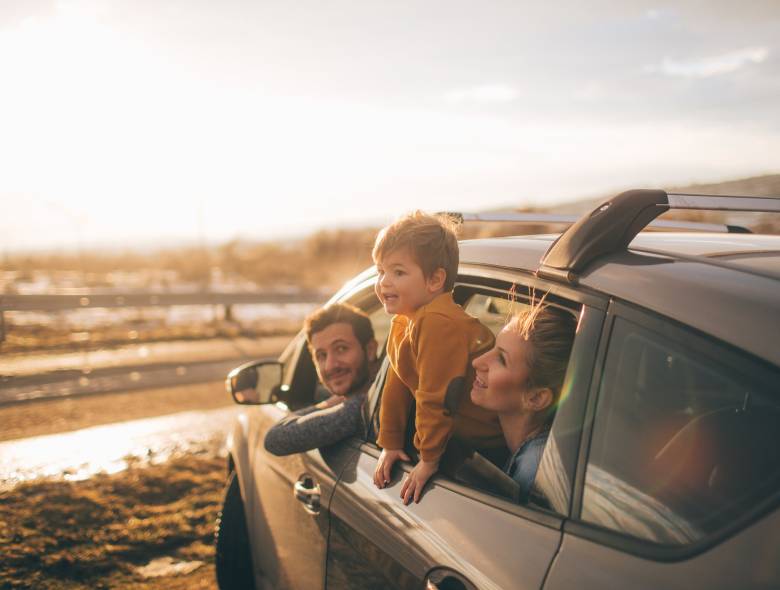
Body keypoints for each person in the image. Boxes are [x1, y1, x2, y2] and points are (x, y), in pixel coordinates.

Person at [371, 211, 504, 504]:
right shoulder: (406, 320)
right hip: (460, 439)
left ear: (434, 280)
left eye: (398, 272)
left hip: (485, 445)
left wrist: (428, 460)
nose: (384, 283)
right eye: (380, 271)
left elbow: (436, 396)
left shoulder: (437, 322)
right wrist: (390, 443)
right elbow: (398, 384)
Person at [470, 302, 577, 502]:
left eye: (501, 360)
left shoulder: (533, 473)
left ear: (536, 398)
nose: (477, 362)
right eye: (493, 347)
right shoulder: (538, 452)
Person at [263, 303, 379, 456]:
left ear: (370, 350)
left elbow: (275, 439)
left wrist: (332, 403)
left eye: (341, 348)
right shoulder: (367, 399)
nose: (330, 365)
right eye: (321, 355)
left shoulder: (367, 407)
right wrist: (335, 401)